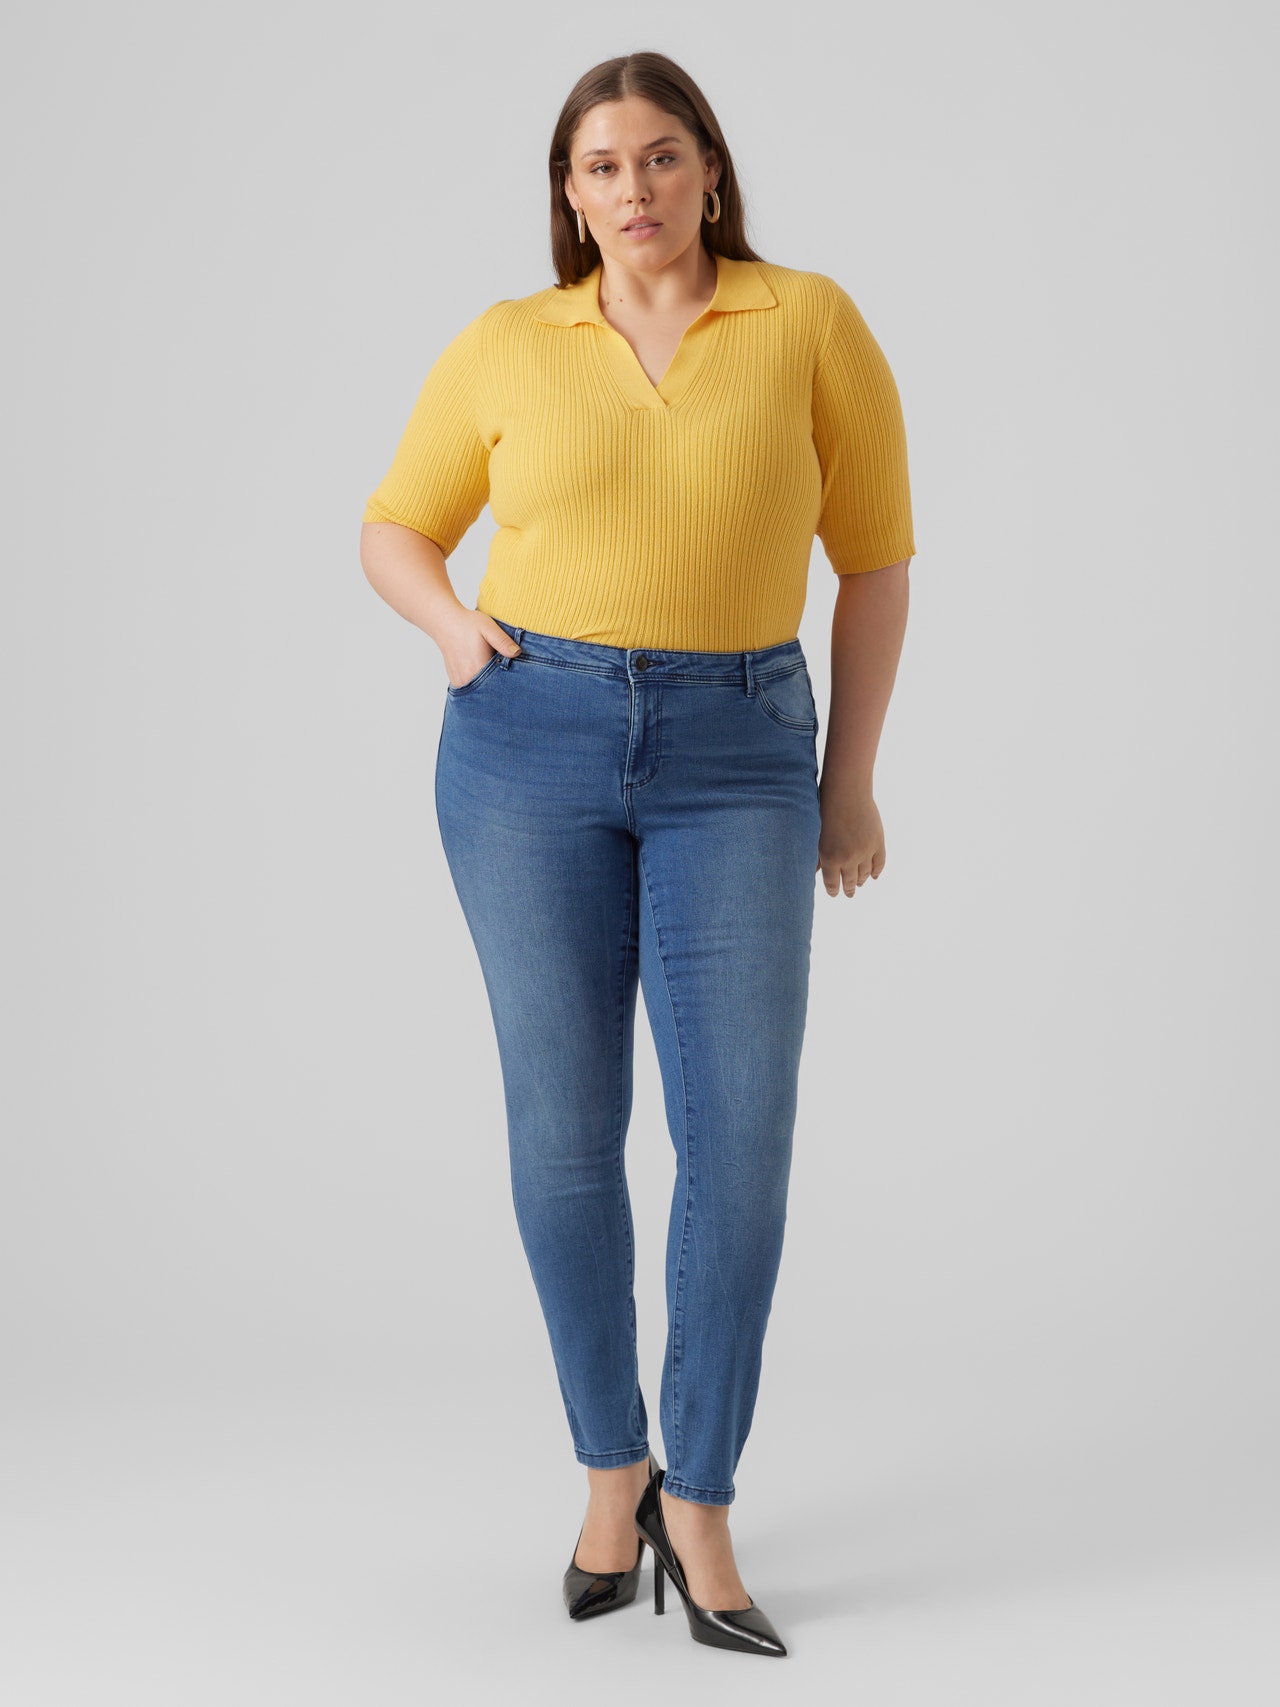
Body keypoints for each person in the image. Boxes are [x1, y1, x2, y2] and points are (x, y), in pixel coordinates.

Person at [359, 50, 916, 1658]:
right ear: (569, 192)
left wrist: (850, 782)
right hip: (525, 744)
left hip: (741, 748)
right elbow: (395, 525)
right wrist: (456, 632)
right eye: (601, 166)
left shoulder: (807, 322)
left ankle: (703, 1498)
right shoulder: (509, 342)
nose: (635, 189)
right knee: (563, 1134)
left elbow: (876, 563)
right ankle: (615, 1475)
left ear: (711, 171)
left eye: (662, 157)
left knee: (738, 1140)